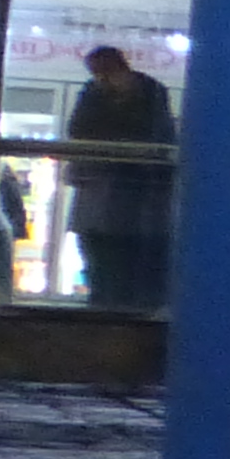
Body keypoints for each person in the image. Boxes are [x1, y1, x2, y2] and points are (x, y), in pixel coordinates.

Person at [63, 42, 175, 308]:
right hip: (110, 190)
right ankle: (106, 302)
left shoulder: (149, 93)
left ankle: (115, 305)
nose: (102, 80)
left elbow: (154, 136)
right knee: (102, 254)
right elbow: (78, 130)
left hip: (129, 193)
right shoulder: (97, 92)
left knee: (122, 256)